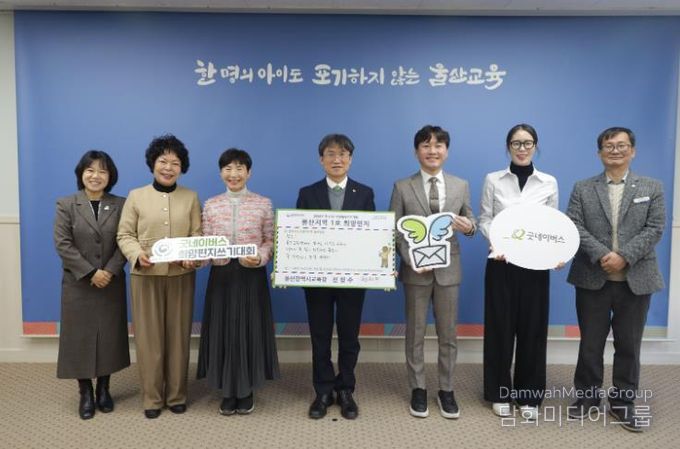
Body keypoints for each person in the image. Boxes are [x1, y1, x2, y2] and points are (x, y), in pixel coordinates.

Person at [566, 127, 665, 432]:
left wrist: (624, 256)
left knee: (629, 345)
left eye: (622, 146)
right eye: (609, 146)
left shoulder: (651, 187)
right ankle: (587, 397)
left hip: (636, 280)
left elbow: (655, 228)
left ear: (632, 151)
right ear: (600, 153)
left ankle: (623, 402)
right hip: (592, 276)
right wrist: (601, 254)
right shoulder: (583, 188)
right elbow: (574, 225)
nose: (615, 151)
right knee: (590, 343)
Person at [389, 125, 476, 419]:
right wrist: (408, 258)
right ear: (416, 152)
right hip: (416, 270)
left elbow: (470, 221)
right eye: (426, 146)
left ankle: (446, 389)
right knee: (414, 333)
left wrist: (469, 227)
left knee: (448, 334)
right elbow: (394, 230)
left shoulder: (460, 185)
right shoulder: (402, 186)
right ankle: (418, 388)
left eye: (438, 145)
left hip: (449, 271)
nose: (432, 151)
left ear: (446, 151)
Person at [117, 134, 202, 419]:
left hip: (181, 275)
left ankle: (177, 395)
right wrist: (136, 254)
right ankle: (152, 398)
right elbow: (124, 235)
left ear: (182, 167)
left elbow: (197, 234)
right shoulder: (136, 196)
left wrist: (192, 255)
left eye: (175, 163)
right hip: (146, 276)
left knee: (178, 337)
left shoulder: (190, 197)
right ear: (152, 163)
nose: (168, 167)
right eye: (163, 161)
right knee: (149, 339)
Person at [478, 124, 559, 421]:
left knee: (533, 330)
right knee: (499, 328)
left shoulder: (548, 182)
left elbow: (553, 225)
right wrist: (496, 241)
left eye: (527, 143)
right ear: (508, 146)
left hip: (535, 267)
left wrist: (555, 253)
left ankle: (529, 395)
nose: (522, 148)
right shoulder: (493, 179)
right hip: (501, 263)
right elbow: (485, 218)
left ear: (535, 146)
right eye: (516, 143)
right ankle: (499, 392)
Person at [296, 134, 375, 420]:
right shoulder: (308, 193)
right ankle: (323, 391)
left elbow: (372, 236)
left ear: (350, 160)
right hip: (317, 280)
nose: (337, 159)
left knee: (349, 337)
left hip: (353, 280)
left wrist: (380, 264)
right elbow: (299, 235)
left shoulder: (364, 193)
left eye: (343, 154)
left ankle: (346, 390)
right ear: (321, 160)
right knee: (320, 336)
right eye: (330, 154)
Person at [197, 148, 280, 415]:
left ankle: (245, 390)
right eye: (228, 169)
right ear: (221, 173)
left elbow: (269, 241)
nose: (233, 174)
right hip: (221, 276)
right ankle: (227, 390)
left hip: (251, 276)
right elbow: (205, 243)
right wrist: (197, 259)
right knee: (223, 331)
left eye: (239, 168)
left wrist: (261, 257)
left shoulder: (263, 204)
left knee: (248, 330)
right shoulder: (211, 205)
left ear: (249, 172)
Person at [54, 150, 130, 420]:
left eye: (102, 171)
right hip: (78, 283)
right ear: (81, 173)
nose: (96, 176)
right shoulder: (66, 204)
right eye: (90, 170)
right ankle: (85, 391)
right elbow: (63, 244)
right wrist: (90, 272)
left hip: (110, 282)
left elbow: (125, 239)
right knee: (79, 338)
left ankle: (104, 389)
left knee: (109, 336)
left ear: (110, 176)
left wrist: (108, 271)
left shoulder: (121, 204)